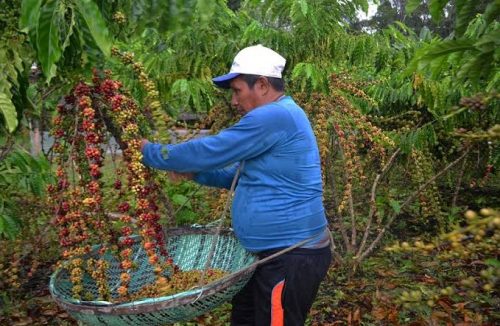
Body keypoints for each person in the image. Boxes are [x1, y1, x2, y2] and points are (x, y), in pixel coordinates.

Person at [141, 44, 332, 326]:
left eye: (237, 90)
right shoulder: (278, 117)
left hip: (289, 257)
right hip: (264, 257)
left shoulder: (275, 116)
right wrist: (194, 174)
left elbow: (211, 150)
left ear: (263, 85)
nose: (233, 100)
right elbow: (239, 174)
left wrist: (151, 153)